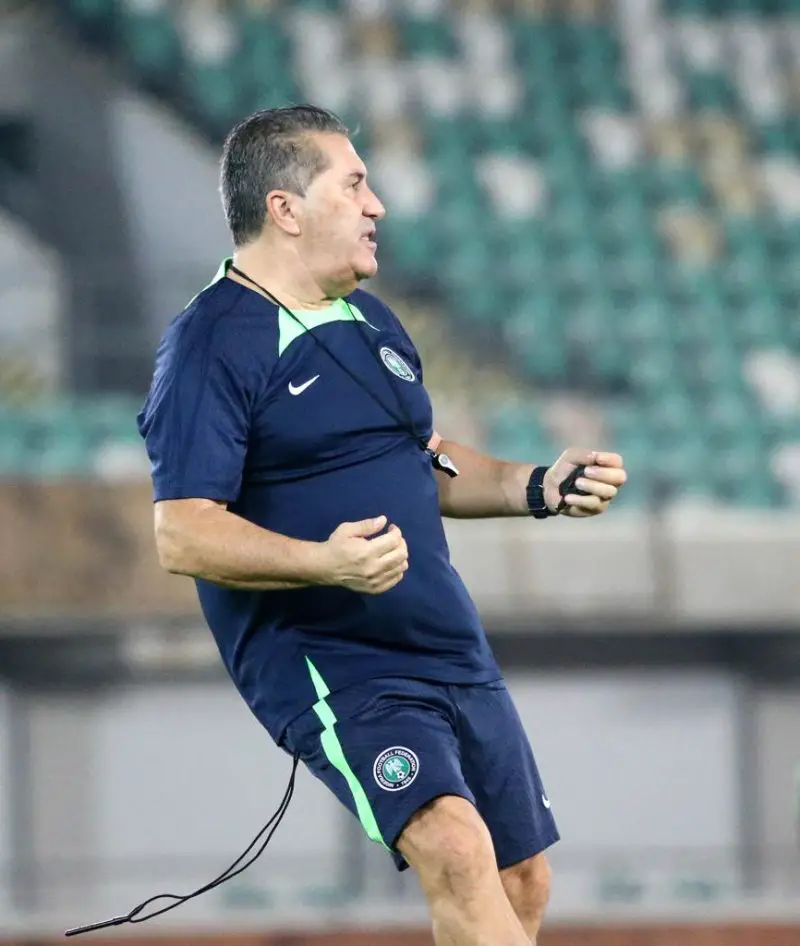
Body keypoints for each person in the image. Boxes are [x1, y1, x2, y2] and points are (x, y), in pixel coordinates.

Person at [137, 104, 627, 946]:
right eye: (355, 185)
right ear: (286, 209)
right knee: (455, 849)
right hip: (336, 660)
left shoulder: (374, 324)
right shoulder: (212, 342)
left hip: (447, 642)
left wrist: (537, 484)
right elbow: (181, 532)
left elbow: (423, 462)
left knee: (522, 878)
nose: (378, 206)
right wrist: (323, 562)